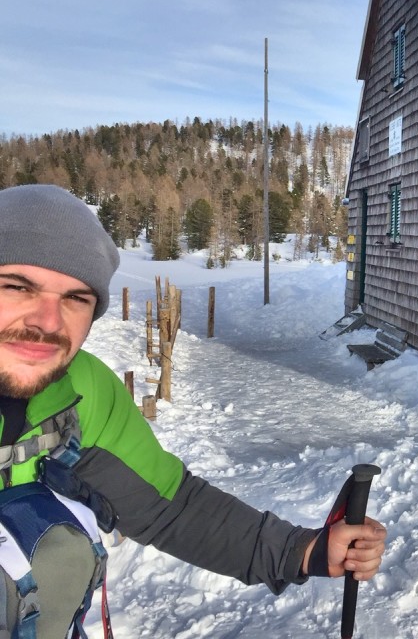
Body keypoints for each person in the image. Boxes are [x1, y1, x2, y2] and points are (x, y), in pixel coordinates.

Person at [0, 184, 387, 638]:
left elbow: (171, 507)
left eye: (75, 298)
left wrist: (303, 550)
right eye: (17, 287)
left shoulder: (81, 390)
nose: (48, 321)